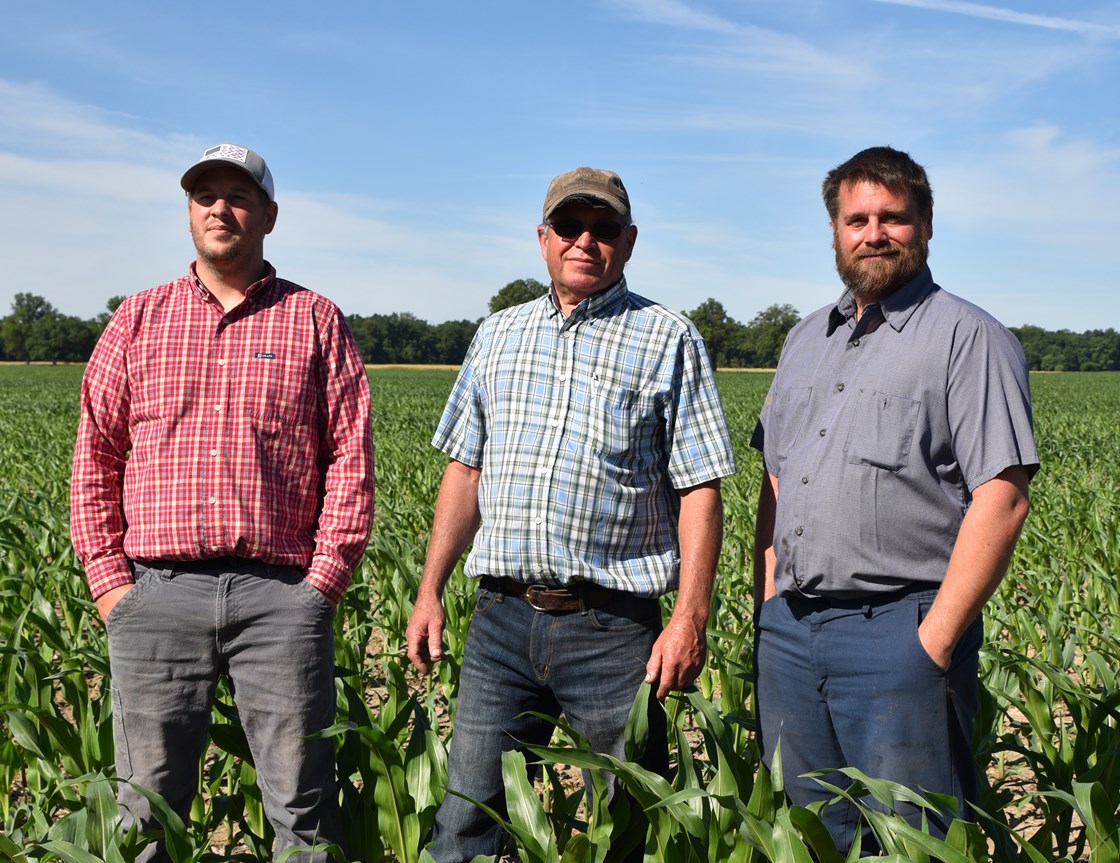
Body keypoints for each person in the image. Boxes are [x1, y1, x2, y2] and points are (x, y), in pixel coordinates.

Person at [405, 166, 737, 861]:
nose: (585, 240)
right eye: (569, 225)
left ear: (629, 240)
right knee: (466, 818)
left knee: (629, 823)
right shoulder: (498, 334)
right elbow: (465, 468)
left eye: (604, 227)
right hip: (501, 620)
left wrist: (690, 617)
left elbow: (701, 487)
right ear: (543, 236)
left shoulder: (667, 337)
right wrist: (430, 588)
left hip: (614, 629)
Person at [70, 143, 374, 863]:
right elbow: (95, 457)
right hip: (157, 593)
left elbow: (351, 461)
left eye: (237, 196)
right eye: (204, 195)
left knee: (303, 809)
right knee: (144, 812)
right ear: (187, 214)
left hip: (279, 601)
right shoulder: (138, 319)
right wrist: (114, 587)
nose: (219, 207)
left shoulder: (314, 320)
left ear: (268, 215)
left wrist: (318, 589)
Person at [750, 146, 1039, 852]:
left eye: (893, 217)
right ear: (835, 232)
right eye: (857, 219)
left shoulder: (970, 337)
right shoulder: (802, 339)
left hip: (899, 634)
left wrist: (930, 643)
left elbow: (1001, 496)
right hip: (791, 632)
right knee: (809, 835)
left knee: (917, 840)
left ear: (927, 225)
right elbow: (776, 480)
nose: (874, 233)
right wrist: (767, 604)